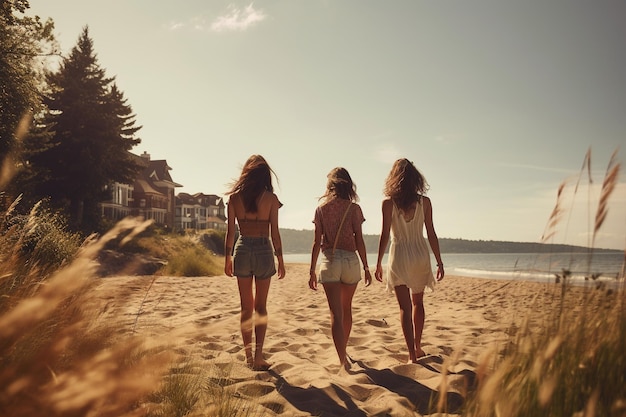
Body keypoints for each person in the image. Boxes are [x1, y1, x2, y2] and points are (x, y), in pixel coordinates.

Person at [375, 158, 444, 363]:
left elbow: (385, 235)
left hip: (399, 255)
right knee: (418, 303)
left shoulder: (388, 203)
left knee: (404, 308)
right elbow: (431, 232)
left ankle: (412, 355)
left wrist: (378, 262)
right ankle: (418, 345)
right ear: (416, 179)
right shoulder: (425, 202)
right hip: (420, 253)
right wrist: (439, 261)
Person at [309, 167, 375, 371]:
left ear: (330, 185)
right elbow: (360, 240)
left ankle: (341, 359)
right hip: (350, 261)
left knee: (335, 314)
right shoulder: (354, 209)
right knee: (346, 310)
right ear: (348, 184)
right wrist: (365, 266)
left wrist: (311, 269)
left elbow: (315, 242)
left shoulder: (321, 209)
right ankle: (343, 350)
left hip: (330, 260)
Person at [224, 155, 286, 371]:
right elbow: (275, 233)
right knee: (261, 306)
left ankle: (248, 356)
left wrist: (227, 259)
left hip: (241, 250)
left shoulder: (234, 199)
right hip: (263, 250)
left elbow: (231, 233)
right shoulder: (271, 199)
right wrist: (281, 259)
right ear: (265, 175)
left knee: (245, 307)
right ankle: (259, 355)